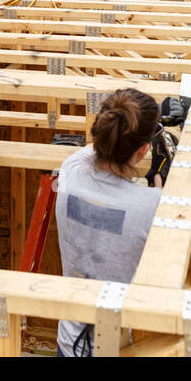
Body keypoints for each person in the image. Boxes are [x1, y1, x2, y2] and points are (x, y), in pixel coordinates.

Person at [54, 88, 163, 357]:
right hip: (121, 347)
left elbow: (94, 150)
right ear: (144, 149)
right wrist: (160, 178)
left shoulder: (70, 172)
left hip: (69, 343)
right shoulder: (151, 205)